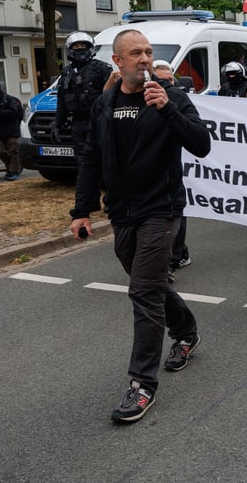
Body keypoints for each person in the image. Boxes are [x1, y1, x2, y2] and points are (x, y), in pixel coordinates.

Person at [69, 28, 211, 423]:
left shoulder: (172, 97)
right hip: (122, 211)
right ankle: (186, 332)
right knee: (152, 286)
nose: (144, 59)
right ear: (118, 61)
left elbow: (202, 143)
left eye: (148, 52)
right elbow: (90, 158)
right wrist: (81, 210)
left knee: (144, 292)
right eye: (135, 53)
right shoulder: (105, 103)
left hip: (161, 209)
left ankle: (142, 385)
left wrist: (167, 108)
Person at [153, 60, 193, 275]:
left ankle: (174, 257)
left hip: (174, 171)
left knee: (176, 211)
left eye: (170, 81)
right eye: (162, 81)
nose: (167, 85)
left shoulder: (179, 99)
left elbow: (199, 138)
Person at [55, 32, 113, 158]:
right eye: (77, 46)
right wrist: (58, 124)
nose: (81, 48)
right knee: (82, 159)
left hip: (99, 121)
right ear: (70, 49)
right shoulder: (67, 72)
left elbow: (113, 97)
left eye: (84, 45)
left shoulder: (102, 68)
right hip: (78, 123)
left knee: (103, 158)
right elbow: (61, 100)